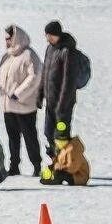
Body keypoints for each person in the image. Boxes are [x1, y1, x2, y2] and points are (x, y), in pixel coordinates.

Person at [0, 24, 43, 177]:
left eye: (9, 38)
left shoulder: (29, 55)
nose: (7, 41)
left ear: (16, 37)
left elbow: (34, 77)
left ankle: (36, 165)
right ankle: (14, 165)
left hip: (24, 106)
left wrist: (18, 93)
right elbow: (0, 74)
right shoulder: (7, 56)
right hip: (8, 106)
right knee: (12, 138)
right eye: (6, 39)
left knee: (30, 137)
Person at [40, 21, 81, 159]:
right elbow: (44, 74)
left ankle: (66, 163)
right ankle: (56, 159)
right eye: (47, 35)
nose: (48, 38)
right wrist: (40, 95)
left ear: (57, 34)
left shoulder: (68, 51)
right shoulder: (50, 49)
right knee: (48, 132)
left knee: (61, 136)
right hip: (51, 102)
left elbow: (68, 82)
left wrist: (62, 105)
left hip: (64, 104)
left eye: (50, 35)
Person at [41, 121, 90, 186]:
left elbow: (72, 167)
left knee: (59, 173)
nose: (57, 143)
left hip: (79, 176)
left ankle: (55, 181)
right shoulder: (64, 148)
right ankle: (52, 179)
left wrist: (61, 168)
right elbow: (60, 161)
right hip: (72, 173)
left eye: (58, 141)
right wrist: (52, 156)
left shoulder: (73, 149)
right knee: (53, 170)